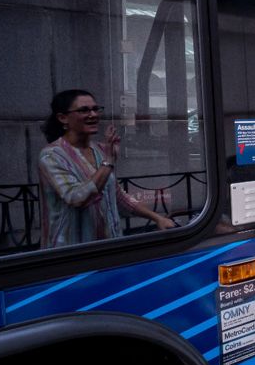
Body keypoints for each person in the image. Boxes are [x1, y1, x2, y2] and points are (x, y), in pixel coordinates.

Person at [38, 89, 176, 249]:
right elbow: (77, 198)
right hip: (70, 254)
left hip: (108, 247)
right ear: (63, 118)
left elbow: (118, 197)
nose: (93, 115)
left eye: (96, 109)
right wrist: (109, 162)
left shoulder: (100, 150)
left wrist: (157, 218)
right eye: (84, 110)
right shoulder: (51, 156)